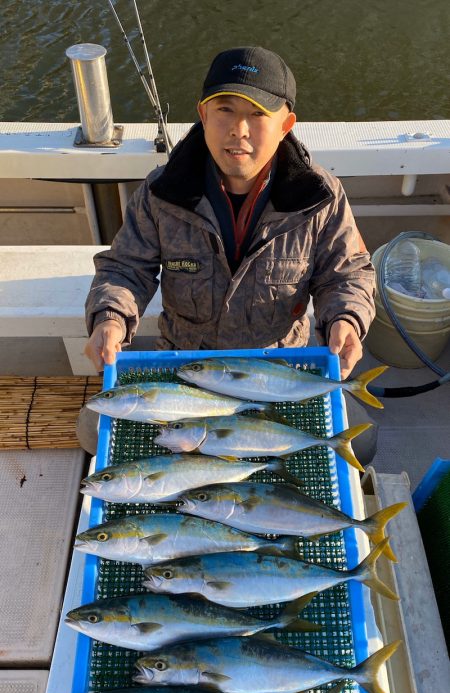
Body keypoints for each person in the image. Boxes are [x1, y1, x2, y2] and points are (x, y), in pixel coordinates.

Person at [81, 46, 377, 460]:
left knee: (361, 442)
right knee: (93, 430)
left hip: (281, 368)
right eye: (224, 109)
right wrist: (109, 318)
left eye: (258, 114)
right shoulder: (161, 192)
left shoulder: (320, 197)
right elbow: (127, 267)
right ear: (202, 116)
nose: (238, 129)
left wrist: (346, 319)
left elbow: (346, 274)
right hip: (186, 369)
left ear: (286, 125)